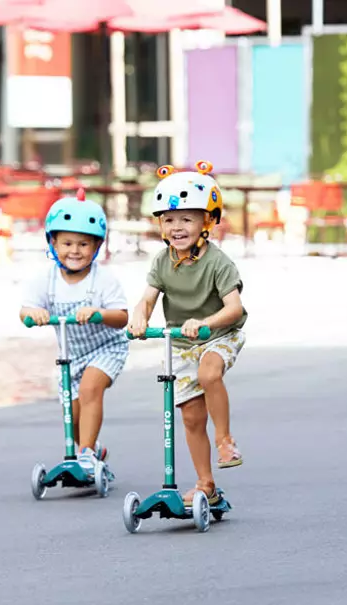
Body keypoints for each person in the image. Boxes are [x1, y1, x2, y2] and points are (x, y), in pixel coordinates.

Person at [128, 161, 247, 506]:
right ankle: (206, 484)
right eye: (169, 219)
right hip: (180, 343)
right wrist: (139, 318)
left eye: (186, 219)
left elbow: (234, 308)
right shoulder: (161, 261)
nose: (177, 227)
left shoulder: (218, 262)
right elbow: (147, 299)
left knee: (209, 373)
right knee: (192, 417)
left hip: (219, 335)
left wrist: (206, 321)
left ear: (207, 221)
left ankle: (225, 440)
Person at [20, 189, 129, 463]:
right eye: (67, 243)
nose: (75, 251)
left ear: (96, 246)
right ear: (53, 243)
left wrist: (99, 314)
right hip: (71, 354)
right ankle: (90, 448)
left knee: (90, 389)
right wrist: (35, 314)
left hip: (106, 348)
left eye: (83, 244)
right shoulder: (46, 280)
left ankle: (86, 454)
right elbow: (25, 311)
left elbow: (122, 317)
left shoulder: (103, 279)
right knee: (73, 412)